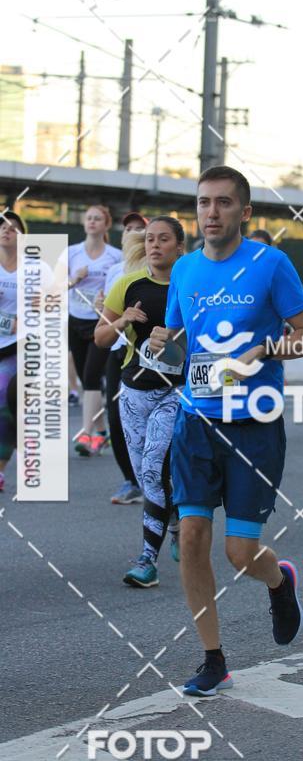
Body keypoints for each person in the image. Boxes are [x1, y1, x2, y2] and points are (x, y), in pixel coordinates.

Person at [148, 165, 303, 696]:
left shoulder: (271, 264)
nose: (212, 212)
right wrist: (162, 342)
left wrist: (262, 348)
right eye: (204, 203)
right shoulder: (185, 270)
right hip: (197, 422)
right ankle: (212, 658)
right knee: (194, 537)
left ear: (244, 211)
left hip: (254, 425)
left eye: (224, 203)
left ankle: (279, 579)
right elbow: (182, 346)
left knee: (239, 554)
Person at [95, 216, 186, 586]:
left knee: (151, 470)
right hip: (133, 391)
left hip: (174, 392)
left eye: (164, 239)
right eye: (150, 239)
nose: (155, 245)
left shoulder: (189, 286)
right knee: (148, 478)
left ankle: (147, 560)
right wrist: (123, 322)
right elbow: (101, 337)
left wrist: (178, 338)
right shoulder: (127, 284)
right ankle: (177, 515)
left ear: (179, 246)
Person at [68, 205, 121, 456]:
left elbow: (121, 285)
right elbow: (54, 286)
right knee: (85, 380)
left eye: (97, 218)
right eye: (88, 218)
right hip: (75, 320)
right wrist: (74, 279)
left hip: (101, 323)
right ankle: (101, 433)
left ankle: (86, 434)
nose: (92, 222)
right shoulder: (71, 253)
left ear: (106, 224)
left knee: (90, 378)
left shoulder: (115, 256)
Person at [103, 213, 148, 505]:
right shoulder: (114, 272)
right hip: (119, 349)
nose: (133, 233)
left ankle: (158, 480)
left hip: (151, 352)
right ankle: (130, 480)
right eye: (128, 229)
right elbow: (107, 317)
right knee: (116, 416)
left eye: (139, 229)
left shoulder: (164, 268)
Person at [0, 211, 26, 491]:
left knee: (4, 399)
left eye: (13, 227)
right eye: (2, 227)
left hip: (16, 344)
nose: (7, 231)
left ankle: (1, 470)